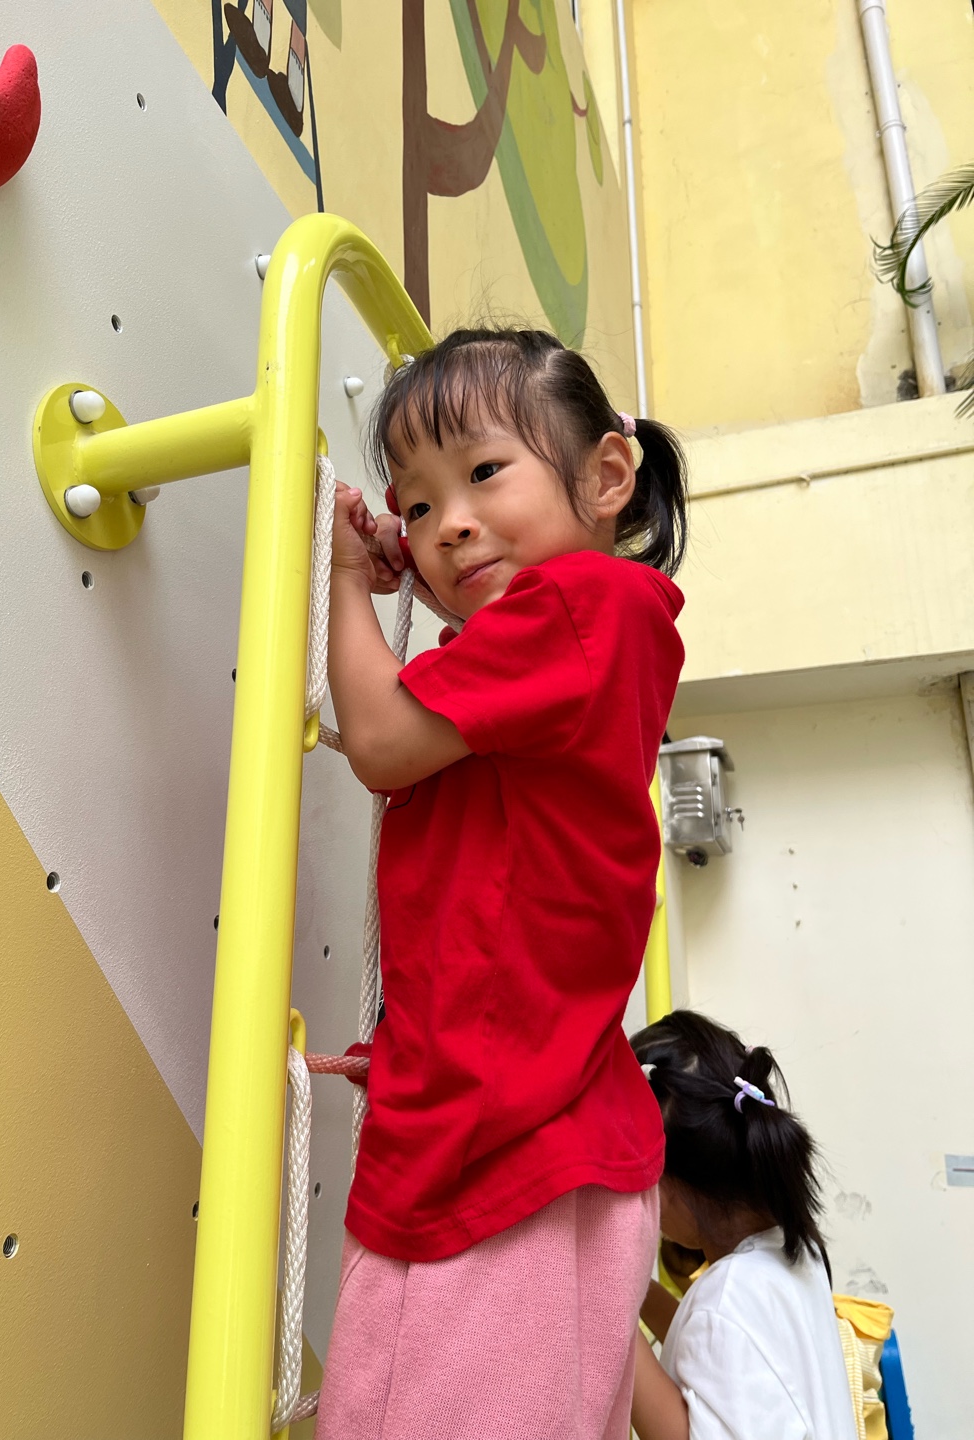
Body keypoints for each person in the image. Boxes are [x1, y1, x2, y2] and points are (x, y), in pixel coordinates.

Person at [313, 327, 689, 1439]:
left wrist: (346, 580)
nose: (448, 523)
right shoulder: (581, 634)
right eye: (417, 506)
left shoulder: (576, 608)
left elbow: (381, 742)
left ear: (608, 476)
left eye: (483, 471)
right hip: (559, 1118)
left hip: (493, 1135)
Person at [629, 1010, 858, 1440]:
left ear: (673, 1182)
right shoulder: (791, 1255)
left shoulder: (727, 1298)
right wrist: (633, 1291)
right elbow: (706, 1343)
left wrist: (604, 1300)